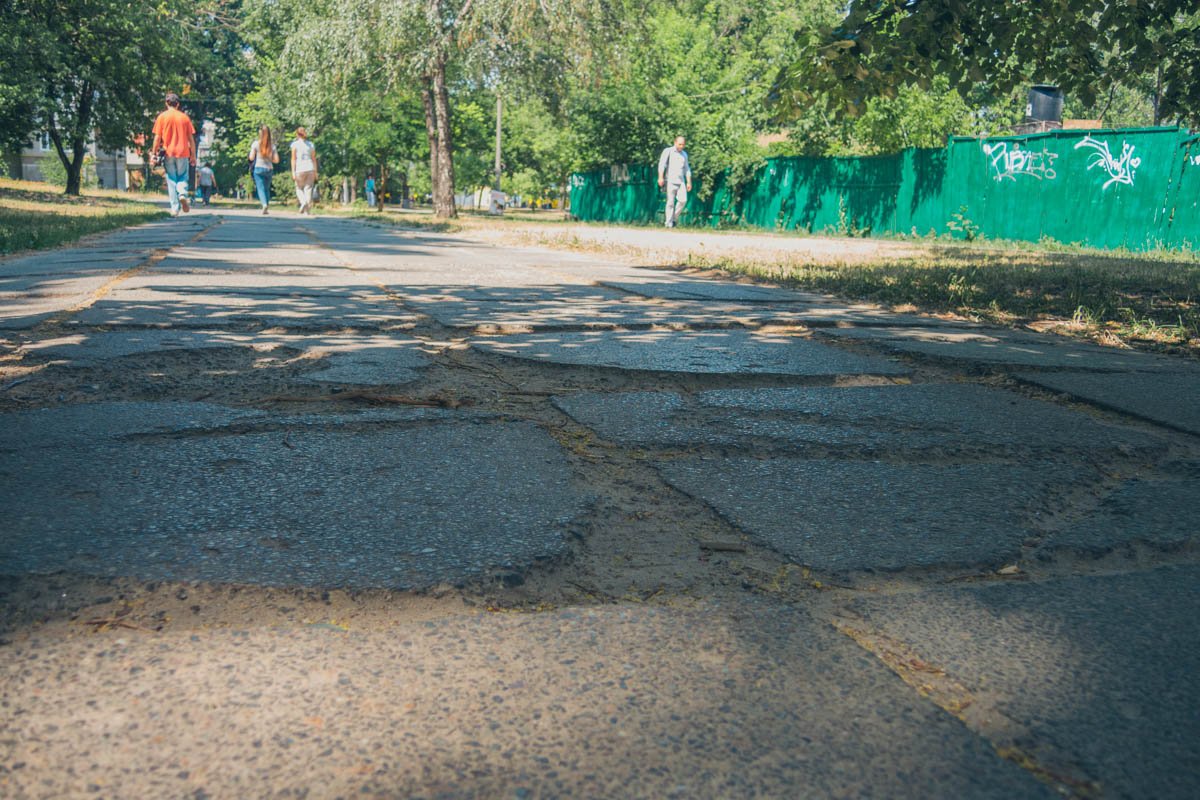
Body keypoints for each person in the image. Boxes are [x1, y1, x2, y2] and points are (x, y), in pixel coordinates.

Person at [150, 92, 197, 217]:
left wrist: (154, 153)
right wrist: (193, 155)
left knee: (171, 179)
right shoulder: (184, 118)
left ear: (166, 103)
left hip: (168, 152)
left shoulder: (162, 117)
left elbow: (157, 138)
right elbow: (191, 139)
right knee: (182, 176)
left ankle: (175, 209)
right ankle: (182, 194)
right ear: (178, 104)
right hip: (183, 152)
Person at [657, 135, 692, 228]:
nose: (681, 146)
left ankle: (673, 218)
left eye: (683, 144)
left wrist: (689, 182)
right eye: (680, 144)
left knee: (683, 200)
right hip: (670, 181)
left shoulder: (684, 154)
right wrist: (660, 177)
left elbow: (687, 169)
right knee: (670, 202)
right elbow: (662, 165)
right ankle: (668, 224)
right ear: (675, 142)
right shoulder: (668, 151)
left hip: (681, 181)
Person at [248, 126, 279, 214]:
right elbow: (276, 160)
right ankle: (266, 206)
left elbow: (251, 157)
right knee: (266, 188)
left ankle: (264, 204)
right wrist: (269, 158)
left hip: (258, 168)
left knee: (260, 188)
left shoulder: (255, 144)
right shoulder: (272, 146)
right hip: (269, 169)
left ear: (260, 133)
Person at [290, 127, 318, 214]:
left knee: (298, 188)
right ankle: (307, 211)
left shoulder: (294, 145)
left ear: (297, 134)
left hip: (299, 169)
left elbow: (293, 159)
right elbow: (314, 159)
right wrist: (316, 172)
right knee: (308, 189)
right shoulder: (311, 144)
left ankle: (303, 202)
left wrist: (293, 172)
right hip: (310, 168)